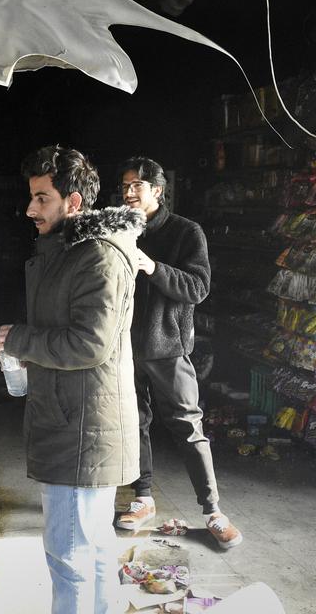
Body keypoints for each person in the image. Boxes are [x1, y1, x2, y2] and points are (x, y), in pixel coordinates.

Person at [0, 145, 144, 614]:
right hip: (73, 417)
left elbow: (89, 345)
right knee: (91, 548)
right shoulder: (70, 252)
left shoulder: (96, 256)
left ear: (73, 202)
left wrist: (20, 339)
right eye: (32, 197)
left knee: (70, 555)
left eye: (42, 198)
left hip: (81, 427)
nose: (30, 208)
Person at [112, 157, 242, 549]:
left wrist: (151, 266)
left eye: (137, 185)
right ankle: (143, 498)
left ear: (157, 189)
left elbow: (197, 287)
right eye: (124, 186)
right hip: (123, 346)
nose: (129, 192)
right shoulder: (120, 229)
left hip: (167, 346)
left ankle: (214, 511)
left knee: (188, 426)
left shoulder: (186, 232)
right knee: (134, 423)